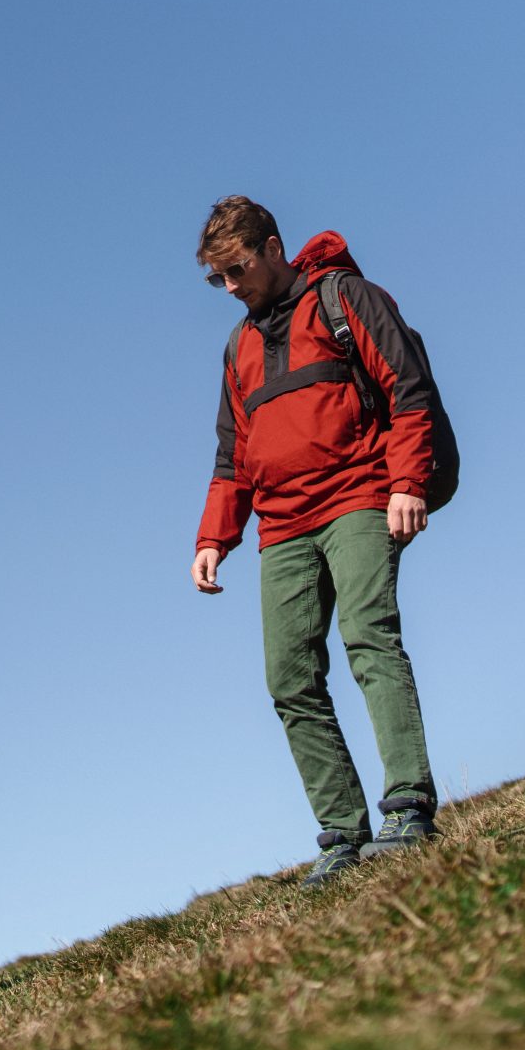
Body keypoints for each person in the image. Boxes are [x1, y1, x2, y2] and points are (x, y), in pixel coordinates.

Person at [189, 196, 443, 887]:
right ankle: (342, 833)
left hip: (359, 494)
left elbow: (409, 390)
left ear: (274, 248)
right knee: (289, 677)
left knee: (369, 636)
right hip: (282, 527)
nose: (232, 288)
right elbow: (231, 453)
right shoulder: (239, 346)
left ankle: (409, 807)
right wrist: (215, 536)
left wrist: (407, 482)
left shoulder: (343, 296)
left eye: (237, 270)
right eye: (218, 279)